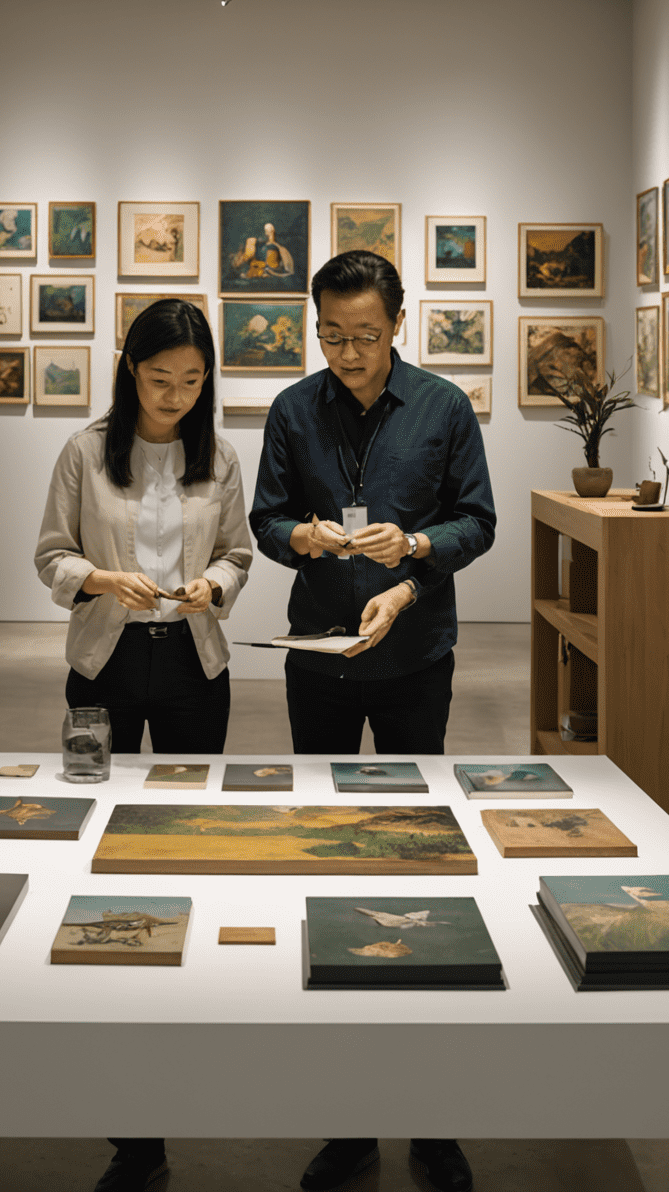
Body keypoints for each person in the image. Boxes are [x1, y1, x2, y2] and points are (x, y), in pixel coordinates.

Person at [248, 249, 495, 1192]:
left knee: (414, 861)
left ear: (399, 322)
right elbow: (268, 519)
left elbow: (479, 520)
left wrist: (419, 548)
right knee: (325, 861)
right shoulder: (292, 410)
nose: (348, 353)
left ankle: (431, 1114)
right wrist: (301, 536)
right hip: (318, 657)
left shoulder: (442, 408)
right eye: (331, 335)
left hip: (411, 658)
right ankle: (346, 1116)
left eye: (365, 335)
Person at [34, 298, 252, 1192]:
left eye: (192, 381)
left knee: (190, 842)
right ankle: (129, 1113)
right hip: (106, 662)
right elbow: (50, 555)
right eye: (160, 379)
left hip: (195, 662)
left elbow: (240, 552)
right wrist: (98, 577)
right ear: (130, 371)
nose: (175, 395)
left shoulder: (222, 455)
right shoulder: (87, 451)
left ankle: (194, 1026)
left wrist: (212, 584)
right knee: (105, 852)